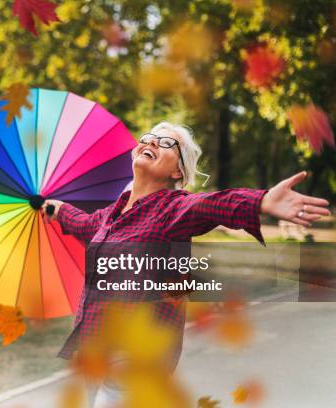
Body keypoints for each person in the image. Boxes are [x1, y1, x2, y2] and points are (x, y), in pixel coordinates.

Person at [41, 121, 331, 407]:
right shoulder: (110, 215)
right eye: (150, 137)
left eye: (166, 143)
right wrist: (56, 209)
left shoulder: (173, 207)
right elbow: (83, 224)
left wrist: (260, 202)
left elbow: (211, 205)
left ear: (177, 170)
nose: (153, 142)